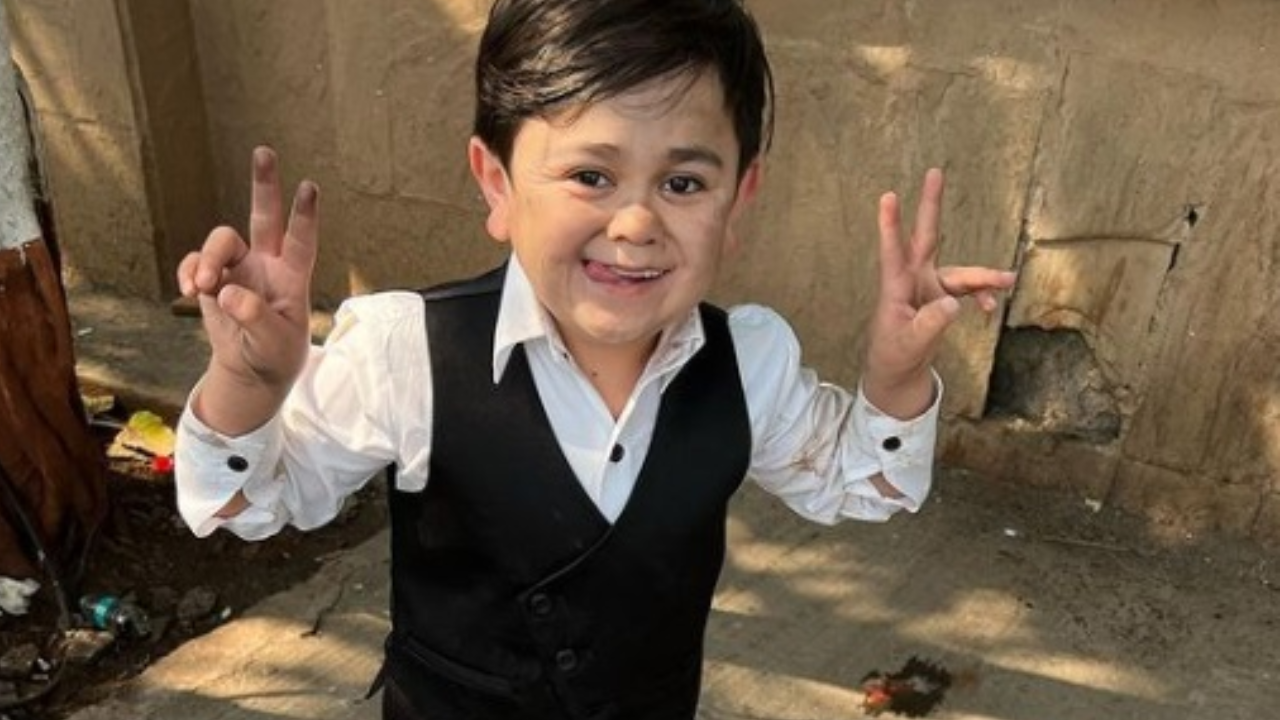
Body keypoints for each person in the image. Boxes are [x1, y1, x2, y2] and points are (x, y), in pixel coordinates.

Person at [173, 0, 1016, 718]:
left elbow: (866, 482)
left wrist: (895, 378)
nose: (636, 223)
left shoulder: (746, 366)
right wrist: (247, 384)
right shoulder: (410, 353)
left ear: (737, 200)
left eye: (683, 184)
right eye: (590, 175)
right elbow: (249, 502)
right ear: (497, 183)